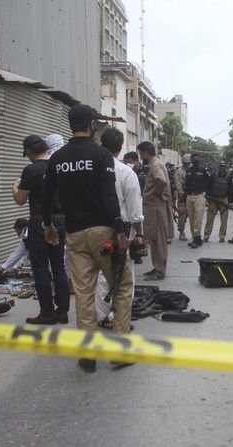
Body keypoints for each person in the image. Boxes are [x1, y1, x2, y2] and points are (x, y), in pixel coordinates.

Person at [41, 104, 130, 373]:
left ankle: (88, 354)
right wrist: (120, 230)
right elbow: (109, 195)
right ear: (92, 124)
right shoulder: (101, 154)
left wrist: (47, 225)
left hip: (75, 235)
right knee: (121, 286)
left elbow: (46, 196)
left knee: (83, 293)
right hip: (103, 234)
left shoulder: (58, 159)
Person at [13, 134, 70, 324]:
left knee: (40, 268)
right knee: (59, 266)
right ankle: (63, 311)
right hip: (61, 221)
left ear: (30, 151)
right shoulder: (60, 166)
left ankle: (47, 312)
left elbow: (20, 200)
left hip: (39, 223)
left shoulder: (30, 170)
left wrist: (15, 187)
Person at [96, 127, 142, 324]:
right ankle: (119, 319)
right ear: (120, 147)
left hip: (92, 228)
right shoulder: (126, 172)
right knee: (123, 276)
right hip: (120, 231)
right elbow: (134, 210)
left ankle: (100, 315)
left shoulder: (92, 169)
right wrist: (139, 235)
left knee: (99, 274)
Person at [137, 141, 173, 280]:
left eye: (141, 153)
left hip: (156, 208)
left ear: (146, 152)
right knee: (154, 240)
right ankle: (157, 267)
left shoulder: (155, 165)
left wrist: (158, 193)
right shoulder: (155, 163)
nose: (141, 156)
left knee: (158, 241)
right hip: (154, 207)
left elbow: (161, 181)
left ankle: (159, 271)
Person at [203, 161, 233, 242]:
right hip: (213, 199)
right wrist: (208, 198)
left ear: (225, 167)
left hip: (224, 199)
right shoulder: (213, 175)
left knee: (224, 220)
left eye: (223, 166)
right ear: (219, 167)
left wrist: (231, 200)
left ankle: (222, 237)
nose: (222, 167)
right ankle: (206, 236)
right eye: (221, 166)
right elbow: (208, 185)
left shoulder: (229, 176)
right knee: (209, 219)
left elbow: (230, 189)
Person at [184, 153, 209, 248]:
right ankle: (195, 238)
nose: (195, 159)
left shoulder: (203, 170)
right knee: (191, 218)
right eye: (194, 158)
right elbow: (186, 183)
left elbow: (209, 181)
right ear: (191, 160)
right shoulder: (188, 171)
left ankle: (197, 237)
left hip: (199, 196)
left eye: (197, 158)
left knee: (198, 218)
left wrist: (205, 193)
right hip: (189, 196)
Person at [174, 154, 189, 241]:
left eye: (188, 163)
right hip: (182, 196)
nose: (187, 164)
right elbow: (178, 183)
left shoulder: (191, 170)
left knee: (193, 215)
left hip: (191, 195)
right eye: (185, 163)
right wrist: (181, 193)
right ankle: (181, 232)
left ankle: (195, 233)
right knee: (182, 214)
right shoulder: (179, 171)